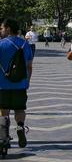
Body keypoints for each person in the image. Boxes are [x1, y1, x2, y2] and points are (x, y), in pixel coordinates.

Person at [0, 18, 34, 148]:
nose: (1, 30)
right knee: (20, 109)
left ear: (8, 29)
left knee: (4, 110)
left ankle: (4, 135)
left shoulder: (1, 44)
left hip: (3, 85)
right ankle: (20, 127)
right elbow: (29, 66)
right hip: (20, 84)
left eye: (2, 28)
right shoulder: (25, 44)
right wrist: (27, 81)